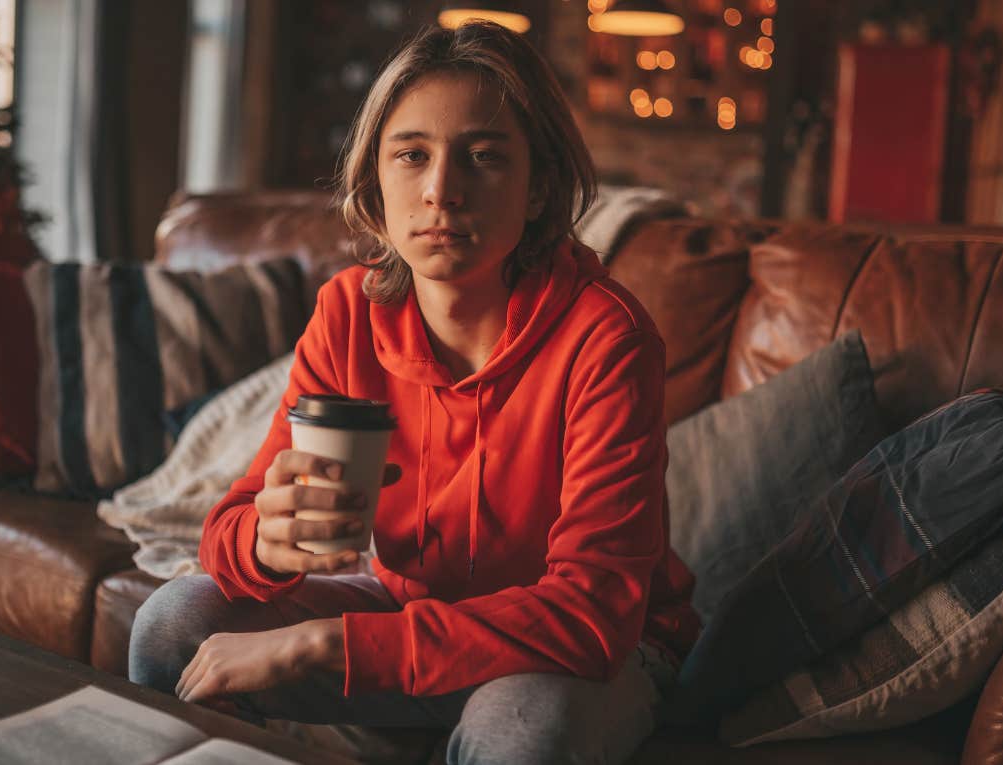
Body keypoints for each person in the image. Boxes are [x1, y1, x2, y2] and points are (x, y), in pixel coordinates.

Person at [129, 20, 699, 764]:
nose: (441, 191)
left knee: (522, 731)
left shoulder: (606, 339)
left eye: (485, 158)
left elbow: (590, 615)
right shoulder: (349, 313)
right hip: (412, 609)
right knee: (171, 622)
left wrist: (319, 643)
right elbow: (228, 529)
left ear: (539, 188)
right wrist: (266, 543)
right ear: (376, 182)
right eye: (412, 155)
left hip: (579, 652)